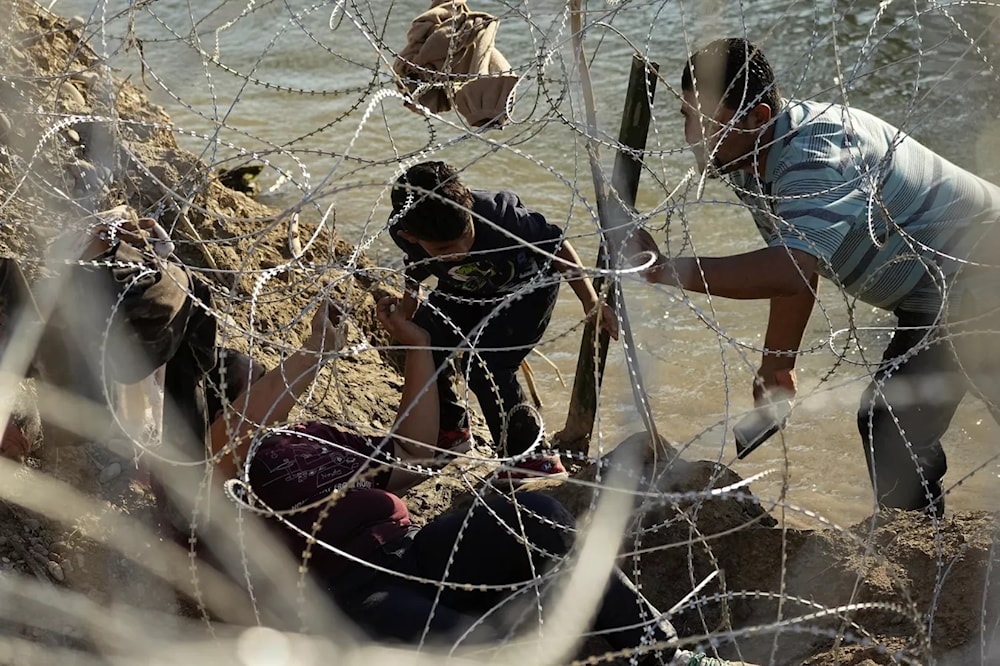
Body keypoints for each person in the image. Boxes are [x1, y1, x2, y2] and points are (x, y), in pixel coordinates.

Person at [209, 295, 750, 666]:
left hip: (414, 551)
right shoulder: (210, 470)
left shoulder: (312, 435)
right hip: (346, 593)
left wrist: (417, 343)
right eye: (257, 381)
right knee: (470, 643)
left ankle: (662, 654)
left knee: (539, 518)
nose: (275, 389)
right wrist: (312, 355)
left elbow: (416, 453)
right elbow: (233, 435)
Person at [628, 37, 1000, 517]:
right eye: (685, 116)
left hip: (983, 277)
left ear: (757, 118)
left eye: (705, 119)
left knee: (893, 421)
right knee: (890, 425)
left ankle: (925, 557)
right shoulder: (748, 158)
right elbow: (798, 262)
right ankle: (923, 557)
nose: (691, 135)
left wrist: (663, 271)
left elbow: (789, 269)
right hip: (939, 296)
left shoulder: (815, 154)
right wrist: (777, 363)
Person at [388, 160, 619, 482]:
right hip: (465, 291)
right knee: (422, 338)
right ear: (409, 235)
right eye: (444, 248)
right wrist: (407, 307)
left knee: (484, 363)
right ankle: (449, 430)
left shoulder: (500, 216)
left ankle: (531, 456)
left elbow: (556, 245)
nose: (458, 251)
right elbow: (414, 266)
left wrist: (590, 300)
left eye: (465, 237)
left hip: (526, 291)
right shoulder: (406, 227)